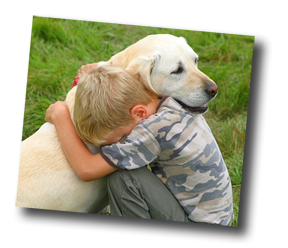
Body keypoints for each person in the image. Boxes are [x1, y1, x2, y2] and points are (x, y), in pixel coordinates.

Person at [45, 65, 234, 225]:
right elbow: (123, 83)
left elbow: (86, 169)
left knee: (124, 178)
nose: (119, 144)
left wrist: (60, 115)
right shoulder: (168, 99)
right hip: (217, 217)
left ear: (139, 113)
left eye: (120, 138)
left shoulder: (152, 131)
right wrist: (96, 75)